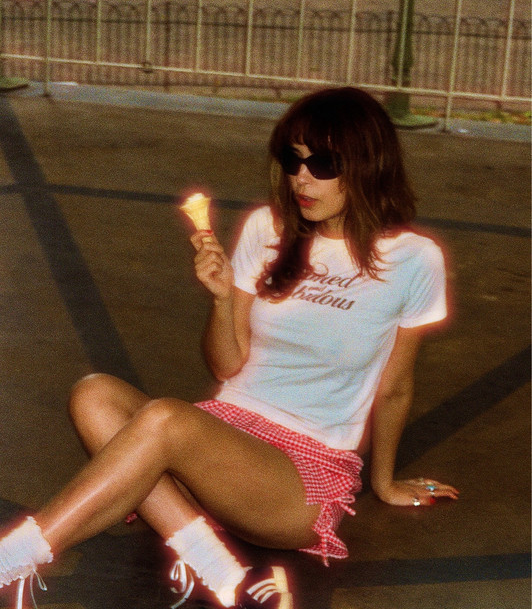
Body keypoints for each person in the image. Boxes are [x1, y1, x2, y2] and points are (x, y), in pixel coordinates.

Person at [0, 87, 459, 609]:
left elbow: (394, 387)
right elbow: (227, 365)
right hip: (220, 443)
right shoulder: (266, 228)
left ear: (367, 166)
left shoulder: (414, 259)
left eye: (323, 164)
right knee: (93, 394)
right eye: (293, 159)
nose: (301, 178)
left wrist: (384, 483)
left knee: (166, 420)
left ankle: (13, 558)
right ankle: (218, 568)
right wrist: (221, 300)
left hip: (299, 477)